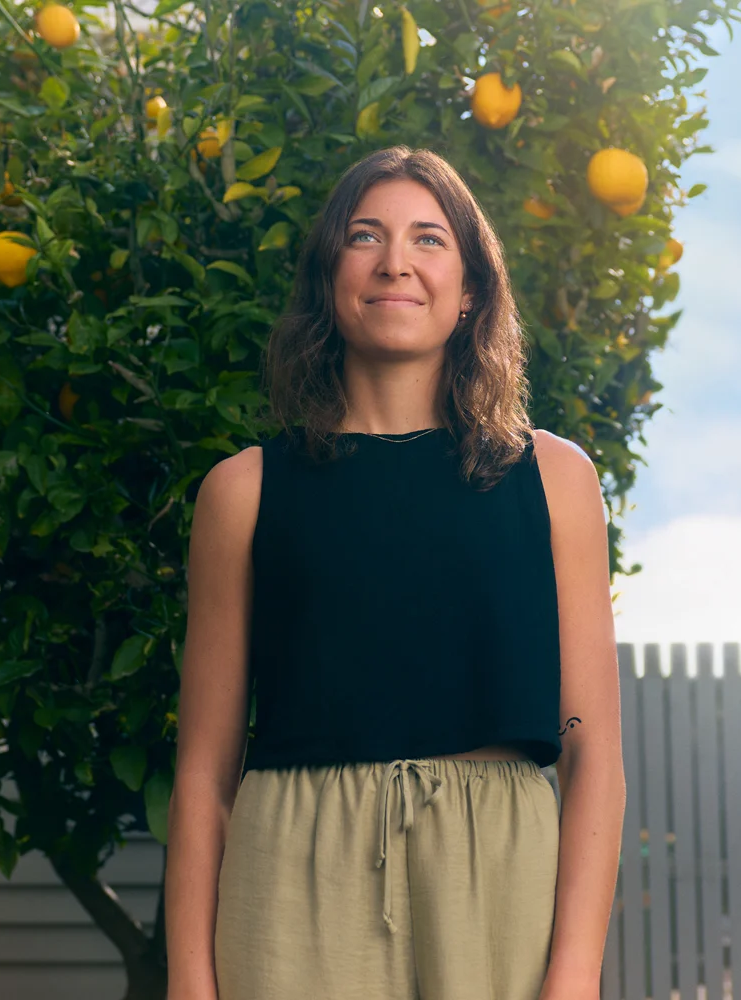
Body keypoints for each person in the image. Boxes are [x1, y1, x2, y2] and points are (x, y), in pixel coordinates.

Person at [162, 146, 626, 1000]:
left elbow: (594, 757)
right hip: (291, 891)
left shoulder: (555, 483)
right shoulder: (241, 495)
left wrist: (574, 978)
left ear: (472, 290)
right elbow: (203, 772)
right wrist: (190, 985)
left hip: (497, 894)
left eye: (429, 239)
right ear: (329, 279)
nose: (395, 262)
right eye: (365, 236)